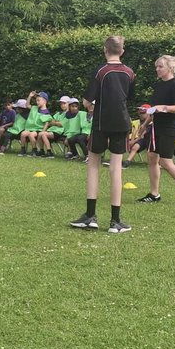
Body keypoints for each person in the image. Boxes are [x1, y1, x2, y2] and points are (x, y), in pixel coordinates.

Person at [70, 34, 135, 234]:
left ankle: (90, 216)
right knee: (116, 169)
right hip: (122, 123)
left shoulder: (100, 71)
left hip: (101, 123)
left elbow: (87, 102)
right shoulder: (130, 72)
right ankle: (115, 221)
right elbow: (129, 98)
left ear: (105, 50)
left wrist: (92, 105)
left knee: (93, 165)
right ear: (122, 51)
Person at [135, 55, 175, 205]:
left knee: (165, 161)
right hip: (156, 128)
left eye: (160, 66)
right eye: (156, 67)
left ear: (170, 68)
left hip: (169, 128)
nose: (157, 69)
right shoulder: (159, 86)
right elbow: (154, 109)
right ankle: (154, 194)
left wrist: (164, 108)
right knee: (151, 157)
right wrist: (144, 125)